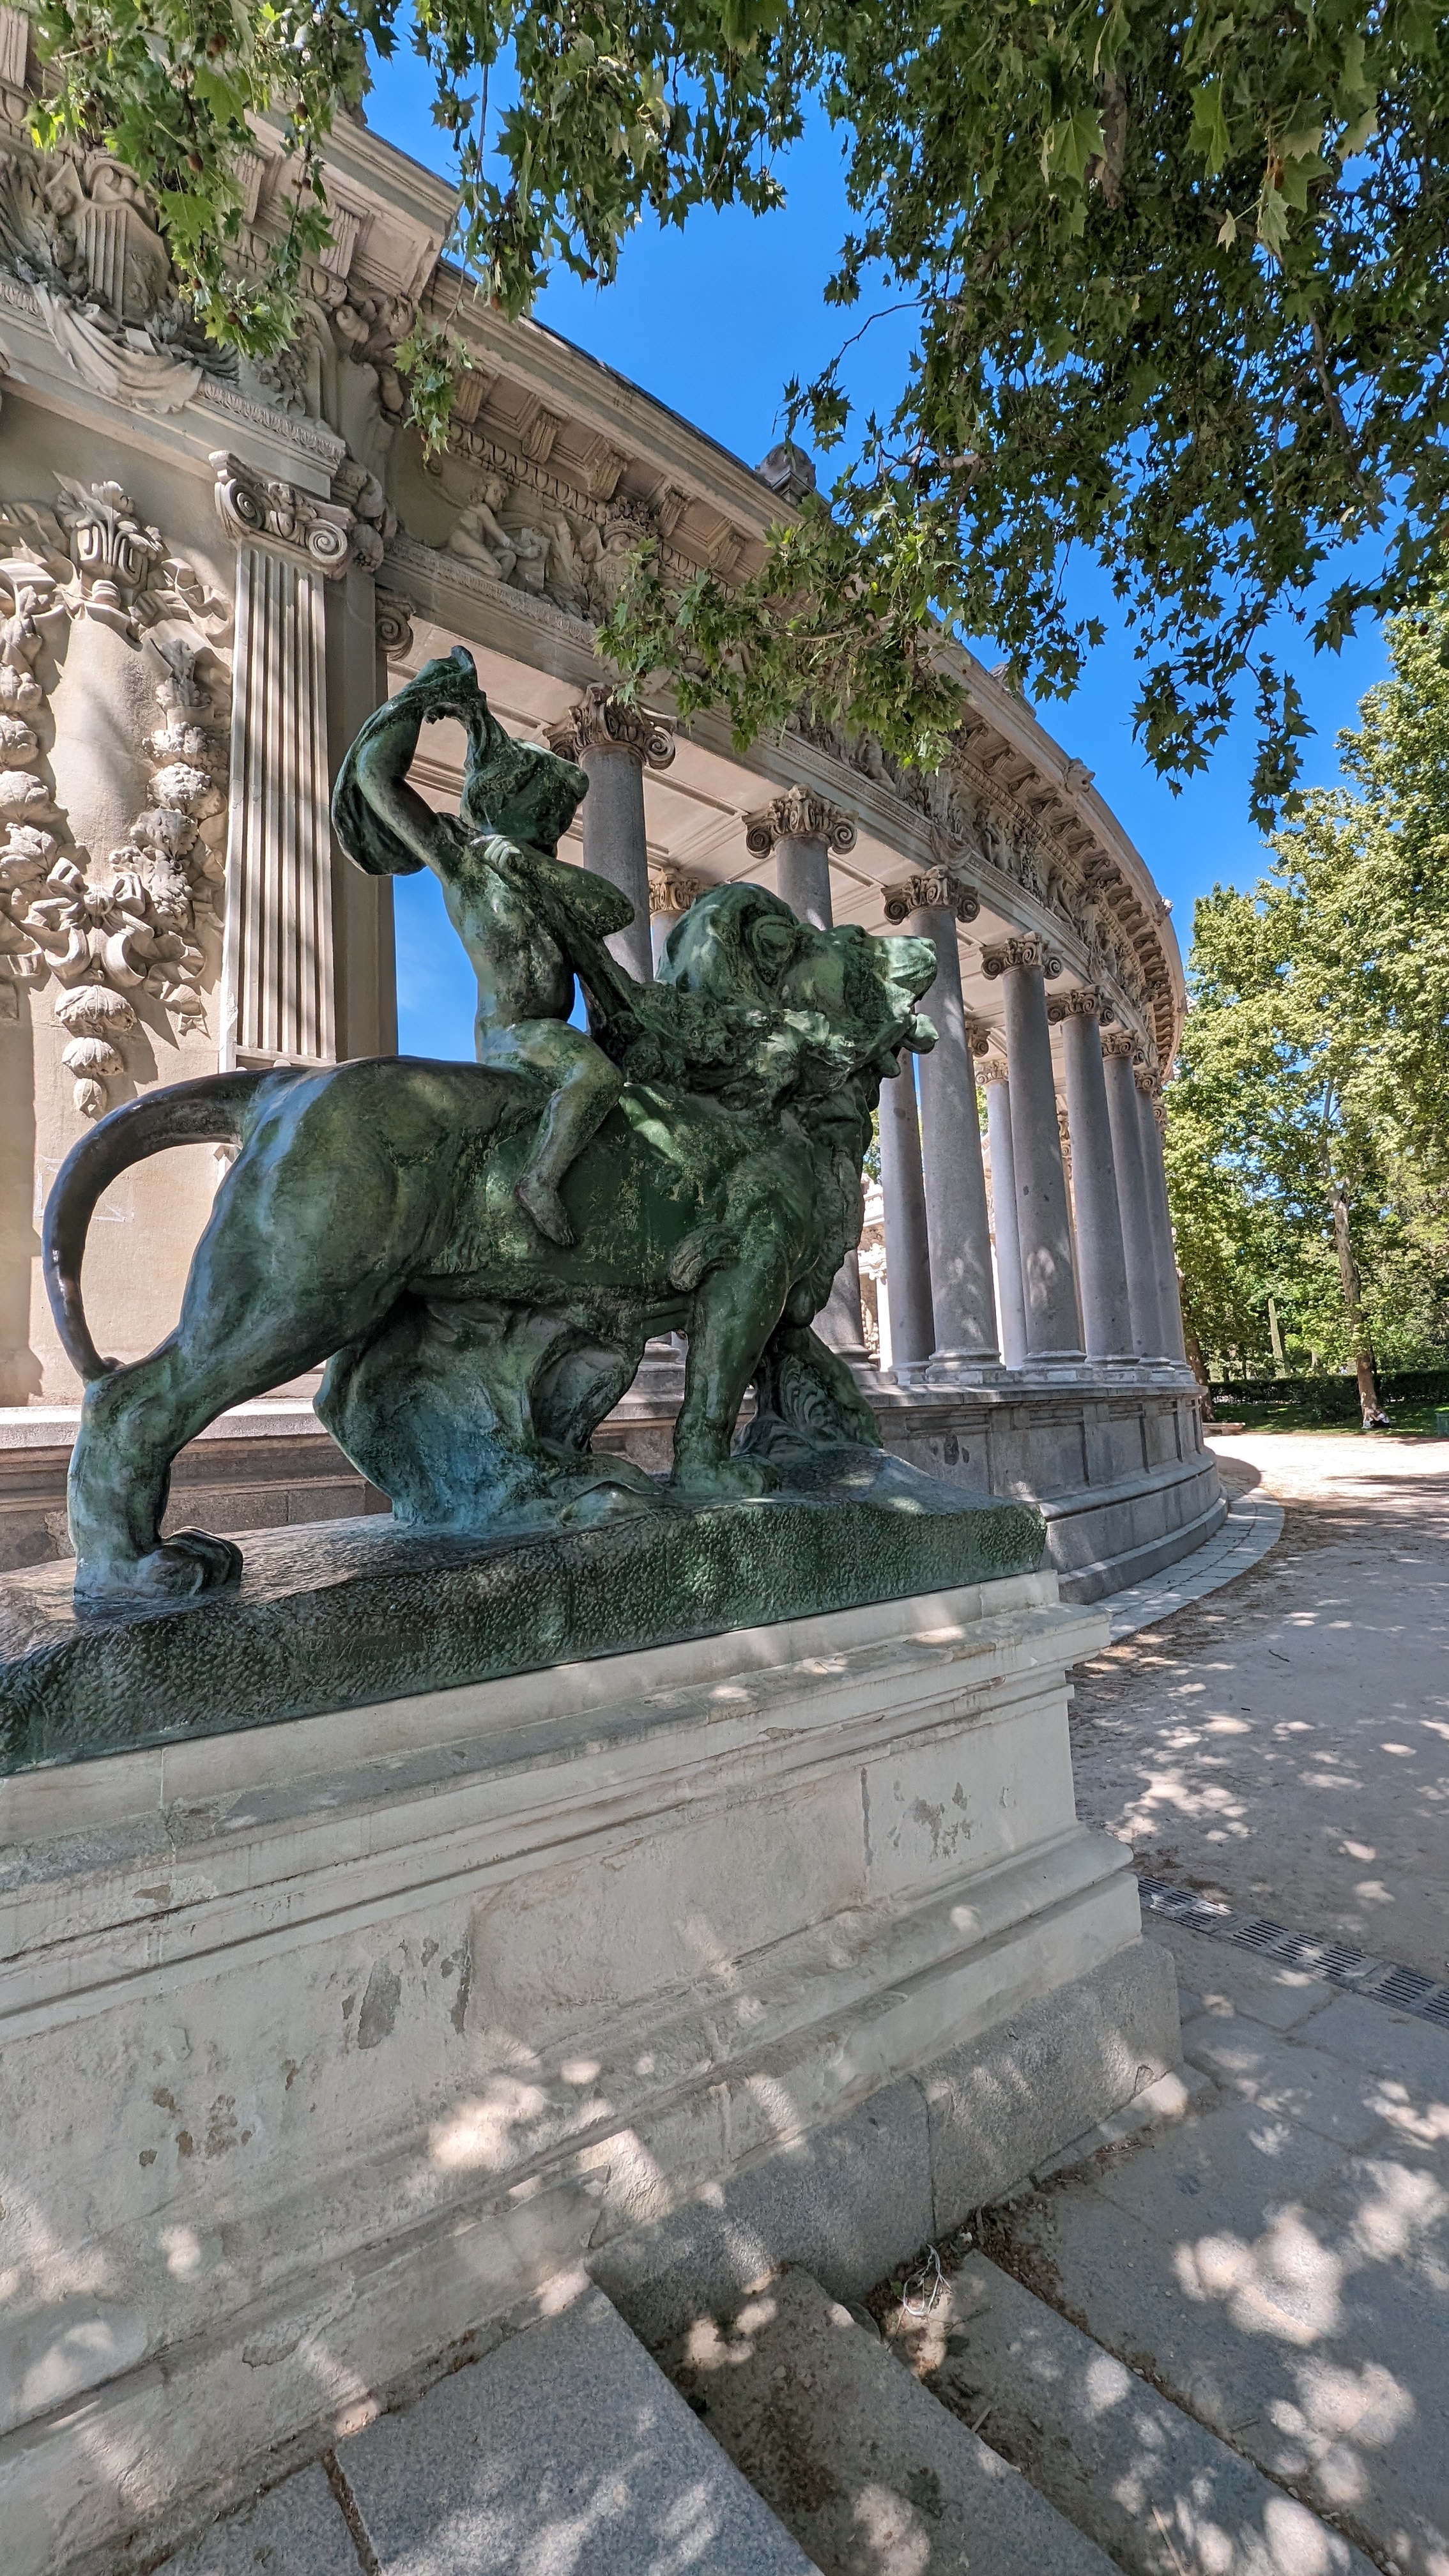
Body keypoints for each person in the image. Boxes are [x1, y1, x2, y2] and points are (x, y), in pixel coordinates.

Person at [333, 648, 634, 1249]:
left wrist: (528, 861)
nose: (556, 823)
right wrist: (420, 695)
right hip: (517, 1033)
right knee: (597, 1080)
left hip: (548, 1032)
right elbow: (375, 776)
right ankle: (539, 1182)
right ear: (510, 804)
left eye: (560, 817)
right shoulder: (465, 866)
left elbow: (617, 909)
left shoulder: (532, 875)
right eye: (548, 810)